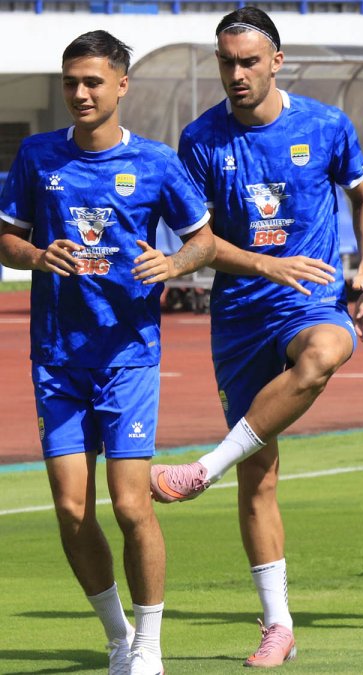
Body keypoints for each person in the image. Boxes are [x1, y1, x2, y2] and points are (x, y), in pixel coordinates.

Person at [150, 7, 363, 666]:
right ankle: (278, 624)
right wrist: (265, 263)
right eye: (227, 62)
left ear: (277, 61)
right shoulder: (200, 139)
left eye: (249, 61)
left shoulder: (325, 125)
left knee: (327, 351)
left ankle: (203, 468)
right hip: (239, 317)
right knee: (260, 478)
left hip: (308, 300)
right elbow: (197, 244)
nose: (236, 74)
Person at [0, 31, 215, 675]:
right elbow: (6, 240)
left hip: (128, 357)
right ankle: (118, 633)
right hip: (57, 358)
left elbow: (203, 241)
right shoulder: (37, 156)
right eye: (71, 82)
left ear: (122, 85)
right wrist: (37, 255)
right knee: (70, 509)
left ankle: (149, 641)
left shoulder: (154, 162)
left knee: (129, 505)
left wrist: (173, 260)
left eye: (93, 81)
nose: (80, 93)